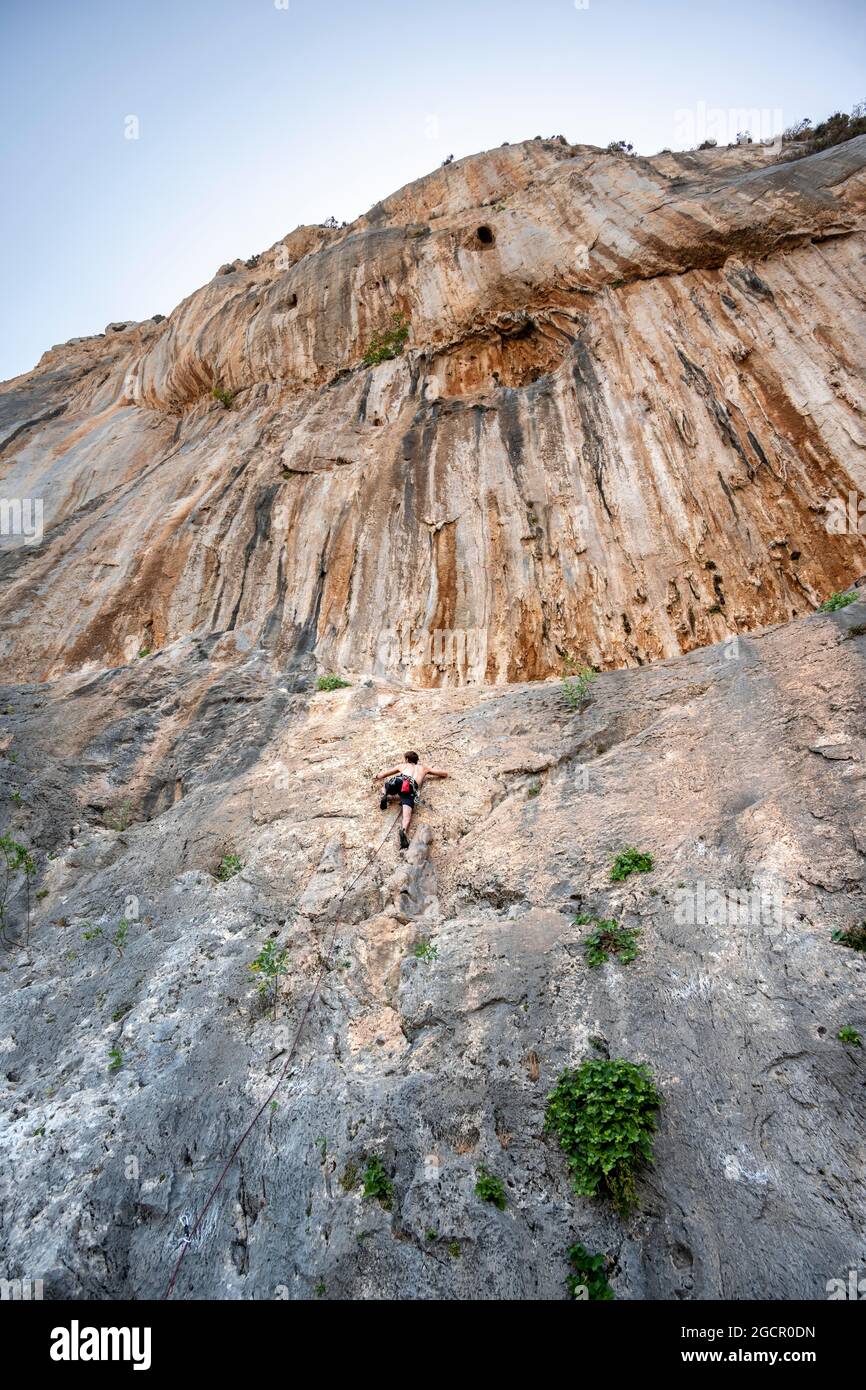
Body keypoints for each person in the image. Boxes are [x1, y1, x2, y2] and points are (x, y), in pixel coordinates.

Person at [374, 750, 448, 849]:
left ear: (407, 759)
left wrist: (376, 776)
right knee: (406, 817)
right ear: (416, 760)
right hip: (411, 789)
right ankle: (403, 831)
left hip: (401, 781)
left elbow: (383, 775)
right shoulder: (424, 768)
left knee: (389, 784)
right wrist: (438, 772)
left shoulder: (403, 766)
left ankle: (386, 794)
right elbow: (444, 773)